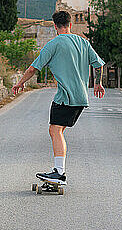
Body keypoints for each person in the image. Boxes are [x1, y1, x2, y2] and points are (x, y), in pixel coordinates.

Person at [12, 10, 105, 184]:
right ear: (70, 24)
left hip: (65, 97)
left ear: (55, 26)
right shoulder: (84, 43)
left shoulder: (54, 44)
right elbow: (98, 65)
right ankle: (58, 170)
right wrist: (98, 83)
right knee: (58, 130)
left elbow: (33, 69)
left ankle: (59, 173)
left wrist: (20, 83)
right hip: (81, 97)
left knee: (55, 130)